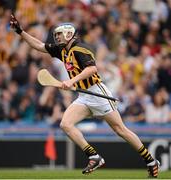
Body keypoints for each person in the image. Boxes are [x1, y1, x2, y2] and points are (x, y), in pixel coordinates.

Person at [10, 14, 160, 178]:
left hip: (97, 92)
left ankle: (151, 161)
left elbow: (92, 69)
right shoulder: (62, 50)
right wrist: (20, 31)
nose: (57, 37)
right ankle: (94, 156)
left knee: (120, 130)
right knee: (65, 124)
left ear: (69, 34)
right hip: (84, 96)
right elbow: (39, 45)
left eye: (60, 34)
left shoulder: (81, 48)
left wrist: (71, 81)